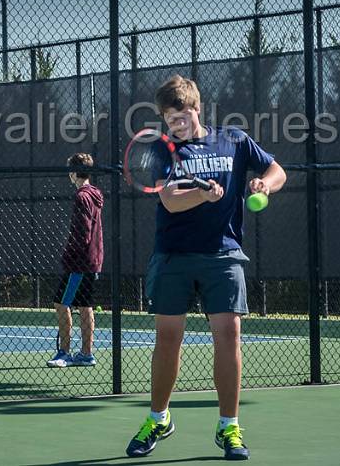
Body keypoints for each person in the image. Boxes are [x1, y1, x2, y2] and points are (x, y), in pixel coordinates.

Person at [125, 75, 287, 461]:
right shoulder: (165, 150)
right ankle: (158, 418)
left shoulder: (233, 140)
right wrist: (202, 193)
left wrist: (264, 185)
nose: (175, 125)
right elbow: (169, 201)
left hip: (223, 254)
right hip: (173, 256)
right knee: (168, 338)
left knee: (229, 334)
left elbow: (278, 170)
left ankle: (228, 426)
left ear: (197, 109)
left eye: (181, 116)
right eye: (169, 119)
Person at [47, 152, 104, 368]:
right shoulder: (95, 194)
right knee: (85, 305)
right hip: (93, 260)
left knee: (61, 303)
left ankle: (64, 353)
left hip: (79, 263)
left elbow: (83, 233)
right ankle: (87, 354)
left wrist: (69, 256)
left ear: (73, 173)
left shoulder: (82, 196)